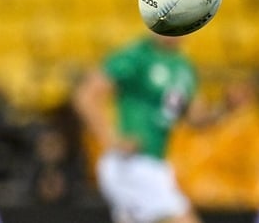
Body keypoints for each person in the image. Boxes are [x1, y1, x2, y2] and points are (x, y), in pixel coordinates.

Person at [74, 33, 205, 223]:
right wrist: (112, 141)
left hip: (157, 164)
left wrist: (225, 108)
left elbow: (195, 118)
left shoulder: (184, 67)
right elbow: (86, 96)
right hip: (132, 163)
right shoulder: (135, 56)